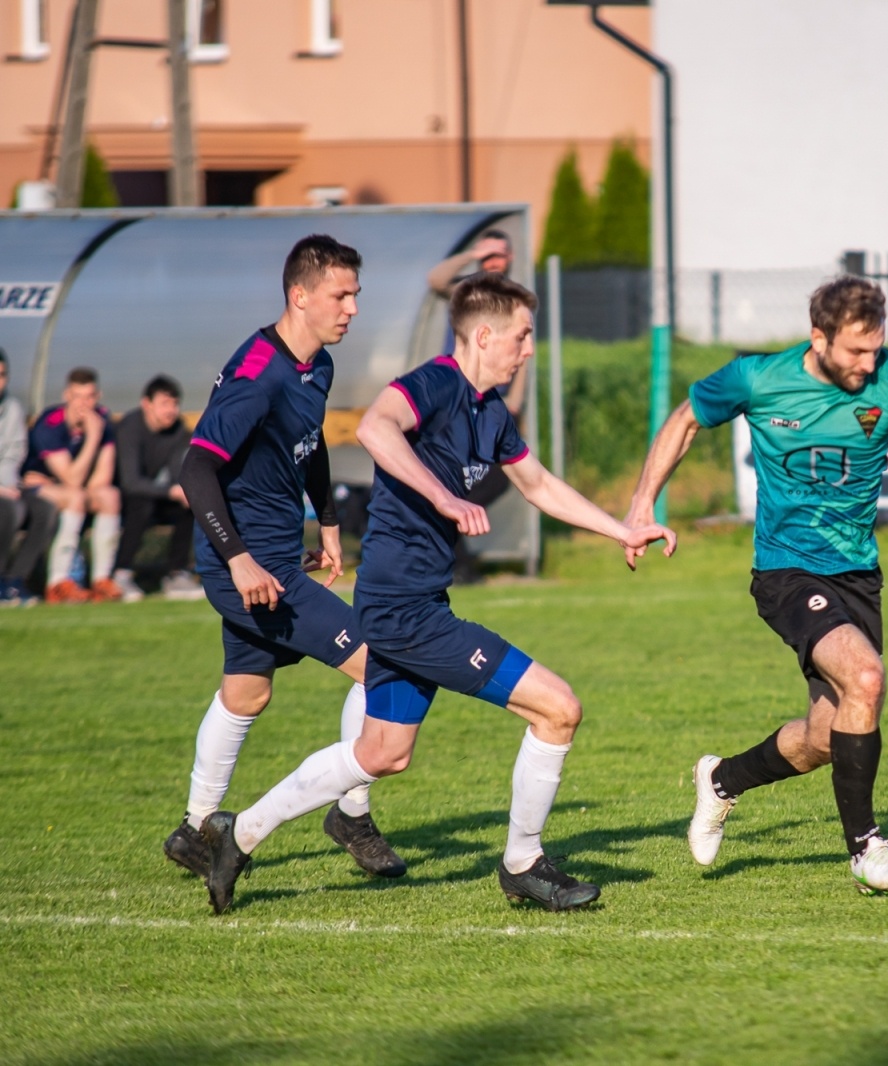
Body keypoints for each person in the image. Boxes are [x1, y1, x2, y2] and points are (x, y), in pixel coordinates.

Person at [199, 273, 674, 915]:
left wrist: (623, 528)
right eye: (522, 336)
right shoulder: (436, 383)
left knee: (383, 754)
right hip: (405, 614)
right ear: (484, 335)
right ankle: (524, 863)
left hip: (414, 606)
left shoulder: (491, 411)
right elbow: (374, 428)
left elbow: (537, 485)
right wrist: (443, 495)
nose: (528, 349)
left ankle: (240, 832)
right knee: (558, 708)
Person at [626, 276, 888, 895]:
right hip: (786, 572)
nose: (869, 365)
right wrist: (641, 506)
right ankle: (866, 849)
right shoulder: (758, 378)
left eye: (876, 350)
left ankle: (722, 779)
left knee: (827, 735)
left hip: (858, 578)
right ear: (818, 338)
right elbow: (685, 420)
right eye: (855, 352)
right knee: (866, 679)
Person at [165, 234, 404, 888]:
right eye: (340, 295)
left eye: (356, 294)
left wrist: (326, 517)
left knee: (247, 692)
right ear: (299, 296)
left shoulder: (314, 365)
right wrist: (240, 560)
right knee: (381, 666)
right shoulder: (259, 374)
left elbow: (310, 444)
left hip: (273, 556)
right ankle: (351, 813)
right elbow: (196, 467)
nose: (352, 307)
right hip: (256, 570)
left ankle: (195, 828)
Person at [427, 229, 522, 584]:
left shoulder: (514, 299)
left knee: (499, 478)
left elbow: (524, 355)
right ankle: (456, 557)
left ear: (510, 259)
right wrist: (471, 253)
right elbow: (435, 279)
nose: (494, 263)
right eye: (488, 256)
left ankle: (450, 519)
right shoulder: (466, 291)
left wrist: (516, 400)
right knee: (451, 477)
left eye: (499, 256)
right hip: (461, 401)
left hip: (495, 404)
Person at [21, 366, 122, 603]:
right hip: (32, 488)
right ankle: (59, 583)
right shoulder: (51, 423)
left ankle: (101, 580)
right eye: (77, 397)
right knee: (74, 496)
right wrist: (93, 437)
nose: (83, 404)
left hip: (71, 488)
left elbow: (102, 478)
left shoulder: (104, 419)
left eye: (89, 397)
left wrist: (74, 480)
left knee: (110, 496)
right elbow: (73, 480)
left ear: (98, 397)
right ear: (66, 395)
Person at [111, 374, 202, 601]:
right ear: (146, 404)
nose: (171, 410)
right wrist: (171, 491)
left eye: (175, 404)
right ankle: (121, 573)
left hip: (156, 496)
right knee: (141, 504)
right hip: (121, 498)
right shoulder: (129, 427)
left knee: (188, 504)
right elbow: (130, 482)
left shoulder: (179, 431)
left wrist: (182, 491)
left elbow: (176, 474)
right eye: (164, 404)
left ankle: (177, 574)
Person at [0, 349, 58, 606]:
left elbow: (15, 453)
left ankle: (16, 580)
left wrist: (7, 483)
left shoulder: (12, 408)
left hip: (8, 483)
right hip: (4, 491)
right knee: (12, 509)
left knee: (46, 509)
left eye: (2, 375)